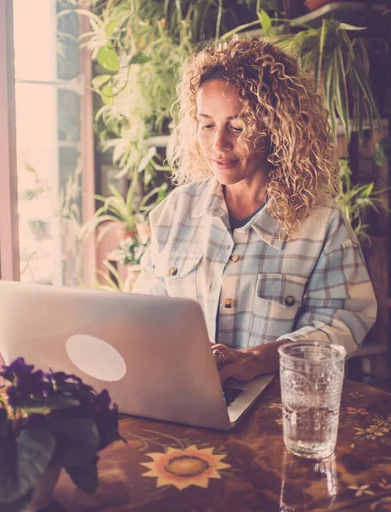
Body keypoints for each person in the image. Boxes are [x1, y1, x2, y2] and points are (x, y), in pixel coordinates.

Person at [134, 37, 377, 382]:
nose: (218, 143)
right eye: (207, 124)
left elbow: (346, 320)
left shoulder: (321, 224)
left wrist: (259, 359)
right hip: (186, 398)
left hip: (276, 412)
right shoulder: (175, 211)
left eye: (238, 126)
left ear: (276, 129)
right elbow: (145, 311)